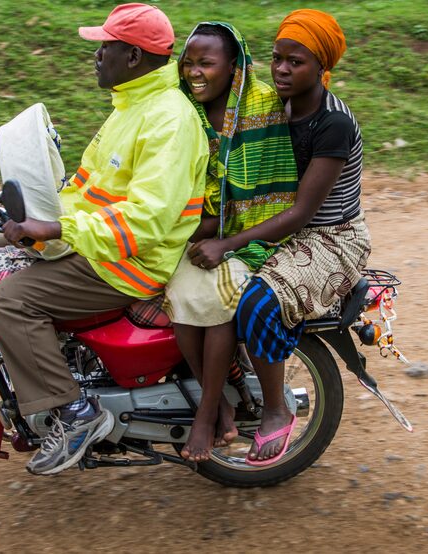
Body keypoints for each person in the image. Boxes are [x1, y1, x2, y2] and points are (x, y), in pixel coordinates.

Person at [0, 3, 208, 475]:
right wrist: (31, 220)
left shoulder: (168, 120)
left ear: (132, 56)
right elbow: (83, 189)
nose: (97, 55)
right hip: (104, 248)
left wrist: (58, 230)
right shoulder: (131, 108)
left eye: (104, 46)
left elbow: (146, 220)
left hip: (131, 262)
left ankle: (74, 414)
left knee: (8, 301)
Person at [182, 9, 371, 466]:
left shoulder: (333, 124)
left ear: (322, 67)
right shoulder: (271, 109)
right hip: (279, 227)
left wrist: (225, 242)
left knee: (257, 302)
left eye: (296, 62)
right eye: (277, 59)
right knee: (210, 293)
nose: (283, 70)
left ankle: (276, 412)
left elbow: (302, 211)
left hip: (330, 238)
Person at [162, 22, 298, 462]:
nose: (194, 73)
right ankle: (216, 399)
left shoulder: (264, 108)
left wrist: (225, 237)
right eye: (189, 63)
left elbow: (275, 192)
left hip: (257, 233)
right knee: (178, 293)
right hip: (202, 230)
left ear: (234, 67)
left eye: (207, 63)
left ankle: (205, 416)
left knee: (220, 300)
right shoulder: (185, 110)